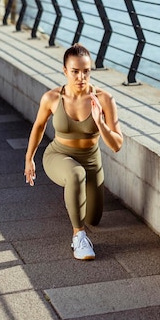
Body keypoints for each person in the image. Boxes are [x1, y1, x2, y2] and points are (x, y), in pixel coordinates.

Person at [24, 43, 123, 260]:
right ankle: (79, 237)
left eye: (86, 71)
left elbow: (116, 145)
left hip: (91, 161)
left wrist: (100, 123)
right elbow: (39, 126)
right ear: (65, 71)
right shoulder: (51, 98)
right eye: (75, 72)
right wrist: (29, 158)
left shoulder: (104, 99)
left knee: (94, 218)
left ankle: (79, 208)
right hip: (58, 155)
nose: (81, 77)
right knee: (75, 174)